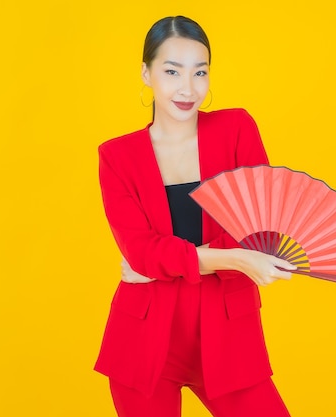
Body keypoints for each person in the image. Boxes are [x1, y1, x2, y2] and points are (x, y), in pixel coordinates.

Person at [94, 16, 296, 417]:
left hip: (228, 335)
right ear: (146, 74)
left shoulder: (236, 129)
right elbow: (140, 252)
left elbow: (260, 228)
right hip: (145, 341)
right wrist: (233, 259)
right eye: (172, 71)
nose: (188, 88)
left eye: (199, 72)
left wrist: (166, 261)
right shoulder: (117, 156)